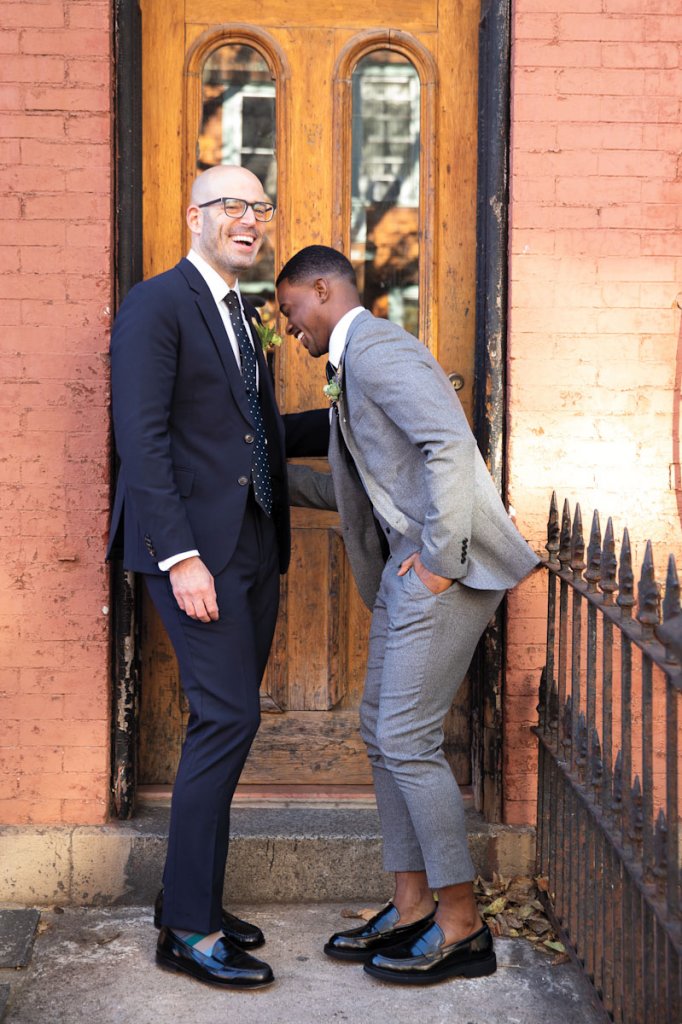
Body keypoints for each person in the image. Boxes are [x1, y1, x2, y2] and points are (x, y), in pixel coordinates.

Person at [276, 245, 539, 985]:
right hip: (406, 571)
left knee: (407, 739)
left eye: (292, 310)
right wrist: (262, 484)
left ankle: (462, 926)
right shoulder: (352, 366)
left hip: (441, 573)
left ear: (324, 290)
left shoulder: (380, 350)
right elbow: (364, 490)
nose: (291, 328)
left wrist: (437, 562)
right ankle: (413, 903)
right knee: (380, 731)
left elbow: (449, 446)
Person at [107, 166, 328, 989]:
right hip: (195, 553)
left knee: (226, 726)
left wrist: (359, 413)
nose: (250, 219)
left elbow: (252, 431)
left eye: (260, 207)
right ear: (193, 214)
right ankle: (189, 930)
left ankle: (189, 899)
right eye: (232, 205)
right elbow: (142, 436)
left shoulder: (243, 311)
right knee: (226, 720)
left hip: (253, 548)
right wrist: (179, 556)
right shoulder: (157, 305)